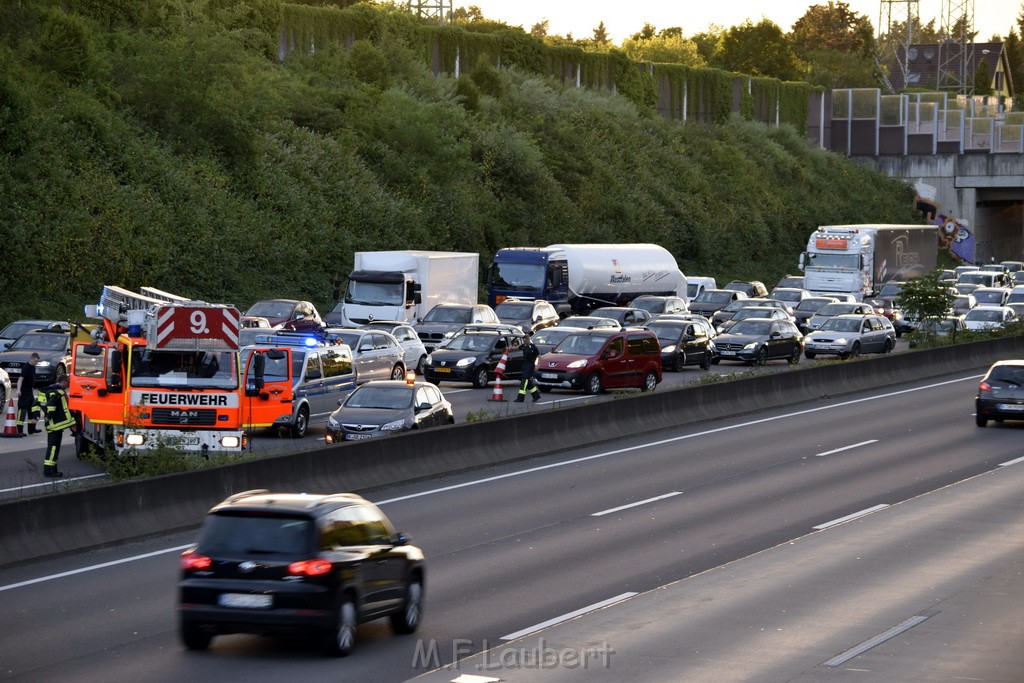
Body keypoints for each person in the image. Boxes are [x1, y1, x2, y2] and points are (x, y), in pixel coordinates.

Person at [37, 378, 77, 478]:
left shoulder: (47, 390)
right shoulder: (57, 392)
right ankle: (49, 471)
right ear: (63, 382)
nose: (68, 386)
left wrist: (38, 416)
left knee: (54, 448)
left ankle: (53, 469)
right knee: (53, 448)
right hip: (55, 426)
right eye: (68, 384)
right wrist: (49, 416)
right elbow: (51, 406)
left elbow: (37, 404)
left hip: (53, 425)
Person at [16, 353, 40, 436]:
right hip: (24, 391)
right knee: (22, 410)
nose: (36, 363)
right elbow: (20, 379)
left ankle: (31, 429)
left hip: (30, 391)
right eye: (36, 361)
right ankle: (20, 430)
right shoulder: (26, 367)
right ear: (32, 359)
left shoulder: (33, 367)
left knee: (32, 409)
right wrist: (18, 390)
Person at [515, 332, 542, 402]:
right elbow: (517, 348)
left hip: (530, 365)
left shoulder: (533, 347)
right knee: (528, 382)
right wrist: (509, 349)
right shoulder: (524, 346)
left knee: (524, 381)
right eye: (523, 341)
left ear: (528, 339)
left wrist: (537, 365)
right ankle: (536, 395)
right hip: (525, 365)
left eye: (525, 341)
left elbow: (539, 357)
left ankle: (520, 398)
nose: (524, 342)